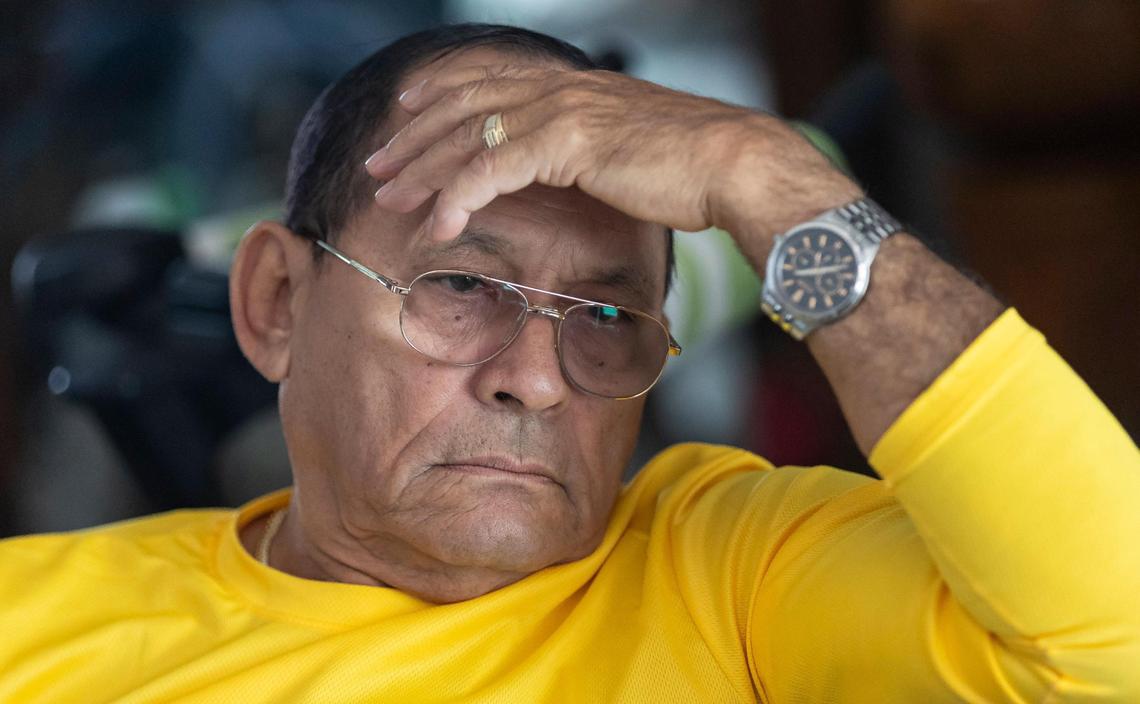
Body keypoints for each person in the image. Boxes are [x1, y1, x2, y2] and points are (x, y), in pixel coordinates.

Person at [2, 23, 1137, 703]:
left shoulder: (729, 574)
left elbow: (1114, 636)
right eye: (459, 287)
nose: (538, 377)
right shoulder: (32, 616)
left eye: (605, 315)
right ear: (276, 302)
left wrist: (767, 177)